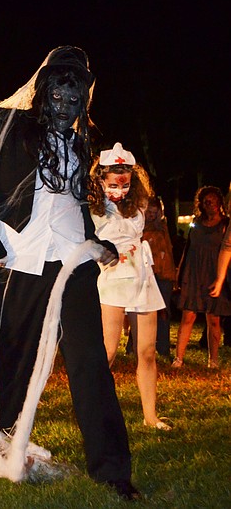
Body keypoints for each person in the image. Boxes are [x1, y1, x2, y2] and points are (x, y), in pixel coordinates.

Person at [0, 46, 138, 499]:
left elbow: (71, 202)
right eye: (58, 96)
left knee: (90, 361)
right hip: (20, 257)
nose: (66, 106)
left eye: (75, 99)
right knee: (12, 359)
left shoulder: (80, 142)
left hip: (72, 261)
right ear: (43, 89)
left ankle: (112, 470)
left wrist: (97, 243)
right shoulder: (4, 124)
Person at [88, 143, 169, 430]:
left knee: (146, 351)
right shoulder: (92, 207)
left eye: (125, 183)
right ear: (100, 179)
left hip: (142, 275)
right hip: (112, 275)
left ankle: (150, 416)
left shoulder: (138, 203)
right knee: (108, 350)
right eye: (113, 184)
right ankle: (93, 413)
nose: (120, 190)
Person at [174, 186, 231, 368]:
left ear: (219, 203)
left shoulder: (226, 225)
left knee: (213, 319)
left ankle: (213, 360)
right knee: (188, 316)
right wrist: (180, 272)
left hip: (214, 273)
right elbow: (188, 249)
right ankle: (178, 358)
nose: (210, 205)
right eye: (206, 202)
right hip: (194, 273)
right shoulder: (196, 223)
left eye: (213, 201)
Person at [141, 195, 176, 357]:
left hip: (163, 273)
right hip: (145, 273)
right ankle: (135, 346)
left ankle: (163, 348)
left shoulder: (163, 227)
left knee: (163, 311)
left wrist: (172, 273)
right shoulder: (138, 227)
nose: (152, 215)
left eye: (155, 212)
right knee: (141, 310)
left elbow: (168, 250)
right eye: (149, 212)